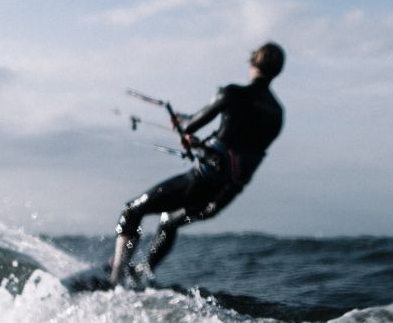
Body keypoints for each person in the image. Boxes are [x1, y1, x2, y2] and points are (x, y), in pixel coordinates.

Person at [109, 42, 285, 286]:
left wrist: (184, 126)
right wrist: (195, 135)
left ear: (253, 63)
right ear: (278, 71)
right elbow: (241, 144)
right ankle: (142, 274)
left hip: (201, 181)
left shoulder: (232, 93)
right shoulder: (277, 114)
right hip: (220, 198)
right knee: (170, 222)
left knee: (132, 211)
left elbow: (191, 127)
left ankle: (115, 278)